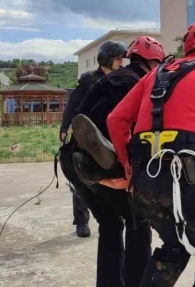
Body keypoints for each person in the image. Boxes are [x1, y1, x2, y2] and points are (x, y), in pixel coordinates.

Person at [107, 21, 195, 287]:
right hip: (194, 178)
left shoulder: (155, 74)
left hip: (148, 180)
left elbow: (116, 119)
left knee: (174, 245)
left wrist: (128, 166)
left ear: (186, 48)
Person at [68, 36, 165, 287]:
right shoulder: (144, 82)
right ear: (153, 62)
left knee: (110, 223)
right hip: (104, 159)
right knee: (138, 222)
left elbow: (78, 110)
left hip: (73, 161)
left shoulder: (105, 78)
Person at [58, 40, 126, 238]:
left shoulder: (120, 80)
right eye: (118, 58)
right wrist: (64, 128)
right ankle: (81, 220)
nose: (121, 62)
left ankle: (111, 214)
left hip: (106, 139)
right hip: (86, 139)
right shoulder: (89, 79)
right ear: (106, 59)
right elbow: (73, 106)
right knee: (82, 179)